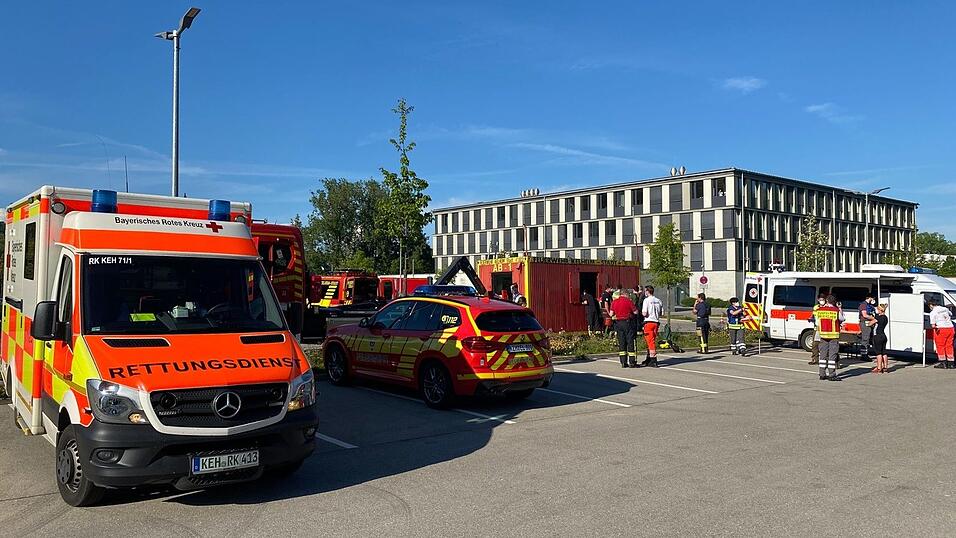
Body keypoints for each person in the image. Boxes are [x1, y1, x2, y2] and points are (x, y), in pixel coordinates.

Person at [815, 294, 844, 381]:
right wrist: (839, 308)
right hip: (833, 336)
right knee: (832, 355)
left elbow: (817, 323)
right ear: (834, 302)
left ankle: (822, 374)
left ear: (827, 301)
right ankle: (832, 375)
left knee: (822, 355)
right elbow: (842, 319)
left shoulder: (819, 310)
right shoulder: (835, 310)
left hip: (823, 335)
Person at [610, 290, 639, 367]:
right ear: (625, 294)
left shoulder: (614, 302)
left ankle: (623, 362)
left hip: (618, 323)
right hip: (628, 322)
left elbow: (611, 314)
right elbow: (635, 312)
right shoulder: (628, 301)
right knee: (630, 341)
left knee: (622, 342)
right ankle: (632, 362)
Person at [640, 285, 663, 367]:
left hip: (648, 322)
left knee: (650, 341)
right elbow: (661, 313)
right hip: (656, 322)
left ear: (647, 291)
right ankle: (649, 358)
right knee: (652, 340)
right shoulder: (658, 300)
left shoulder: (646, 301)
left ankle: (653, 359)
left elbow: (644, 313)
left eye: (645, 291)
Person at [929, 298, 955, 369]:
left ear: (931, 305)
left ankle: (943, 363)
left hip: (941, 329)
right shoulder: (945, 309)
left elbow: (933, 325)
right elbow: (951, 314)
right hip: (950, 328)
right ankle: (951, 363)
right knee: (949, 346)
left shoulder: (933, 312)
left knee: (940, 346)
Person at [870, 303, 889, 373]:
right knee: (884, 352)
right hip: (883, 335)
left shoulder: (878, 317)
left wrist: (871, 321)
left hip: (877, 336)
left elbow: (870, 323)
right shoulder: (885, 317)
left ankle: (879, 367)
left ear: (880, 310)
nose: (877, 310)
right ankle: (885, 367)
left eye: (877, 309)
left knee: (878, 353)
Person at [808, 294, 826, 365]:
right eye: (820, 300)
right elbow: (814, 316)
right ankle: (815, 359)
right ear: (818, 300)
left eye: (823, 300)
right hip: (817, 328)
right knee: (815, 344)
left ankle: (826, 360)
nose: (822, 301)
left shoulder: (827, 307)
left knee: (825, 344)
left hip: (825, 329)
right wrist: (811, 319)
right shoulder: (816, 307)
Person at [858, 294, 876, 360]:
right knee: (865, 339)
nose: (873, 300)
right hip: (865, 323)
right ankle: (864, 355)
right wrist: (872, 318)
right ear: (870, 298)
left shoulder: (869, 305)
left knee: (868, 339)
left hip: (868, 323)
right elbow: (864, 315)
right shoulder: (863, 305)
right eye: (873, 298)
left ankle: (866, 353)